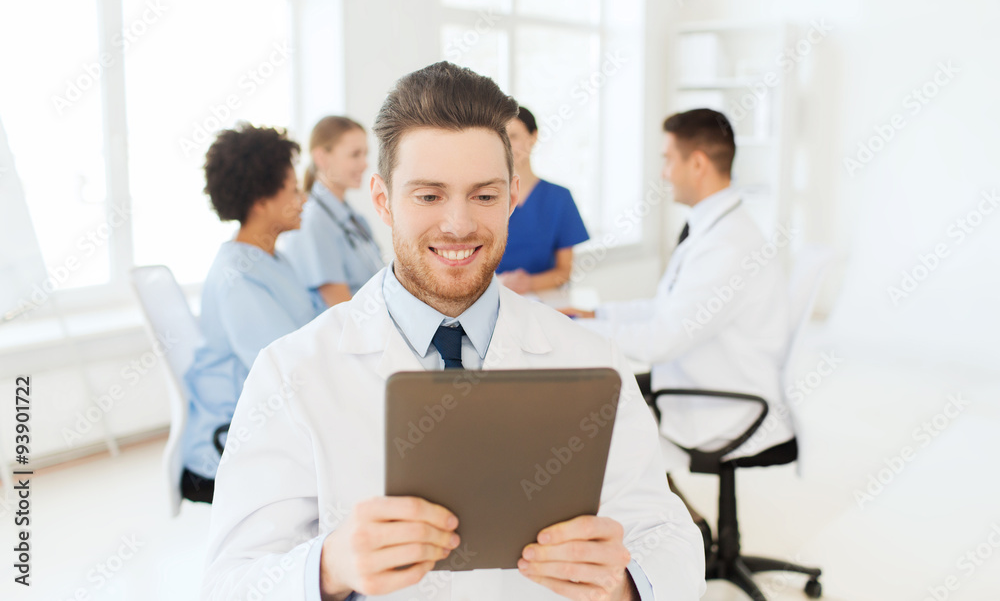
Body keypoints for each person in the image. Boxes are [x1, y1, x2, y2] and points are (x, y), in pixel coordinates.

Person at [201, 63, 705, 601]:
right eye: (429, 196)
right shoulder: (293, 370)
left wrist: (626, 585)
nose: (459, 224)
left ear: (512, 197)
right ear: (382, 200)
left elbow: (668, 537)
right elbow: (230, 583)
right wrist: (329, 567)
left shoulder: (591, 358)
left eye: (484, 196)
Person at [561, 108, 793, 467]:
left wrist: (576, 330)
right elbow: (665, 308)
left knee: (587, 412)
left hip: (722, 404)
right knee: (600, 394)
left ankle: (676, 517)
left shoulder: (727, 246)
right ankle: (676, 511)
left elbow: (660, 341)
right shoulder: (716, 228)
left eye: (668, 160)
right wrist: (595, 314)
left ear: (697, 164)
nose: (664, 173)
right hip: (700, 379)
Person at [180, 123, 327, 501]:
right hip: (226, 447)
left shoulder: (272, 259)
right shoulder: (238, 278)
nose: (303, 200)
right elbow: (284, 370)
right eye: (293, 191)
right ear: (261, 201)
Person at [282, 116, 384, 307]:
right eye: (355, 155)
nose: (365, 164)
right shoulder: (313, 221)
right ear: (321, 157)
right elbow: (341, 309)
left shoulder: (353, 217)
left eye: (365, 154)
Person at [495, 106, 589, 294]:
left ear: (533, 137)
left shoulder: (559, 199)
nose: (507, 146)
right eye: (501, 139)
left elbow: (564, 271)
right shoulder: (484, 199)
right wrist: (498, 286)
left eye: (513, 137)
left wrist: (529, 284)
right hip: (492, 300)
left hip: (544, 300)